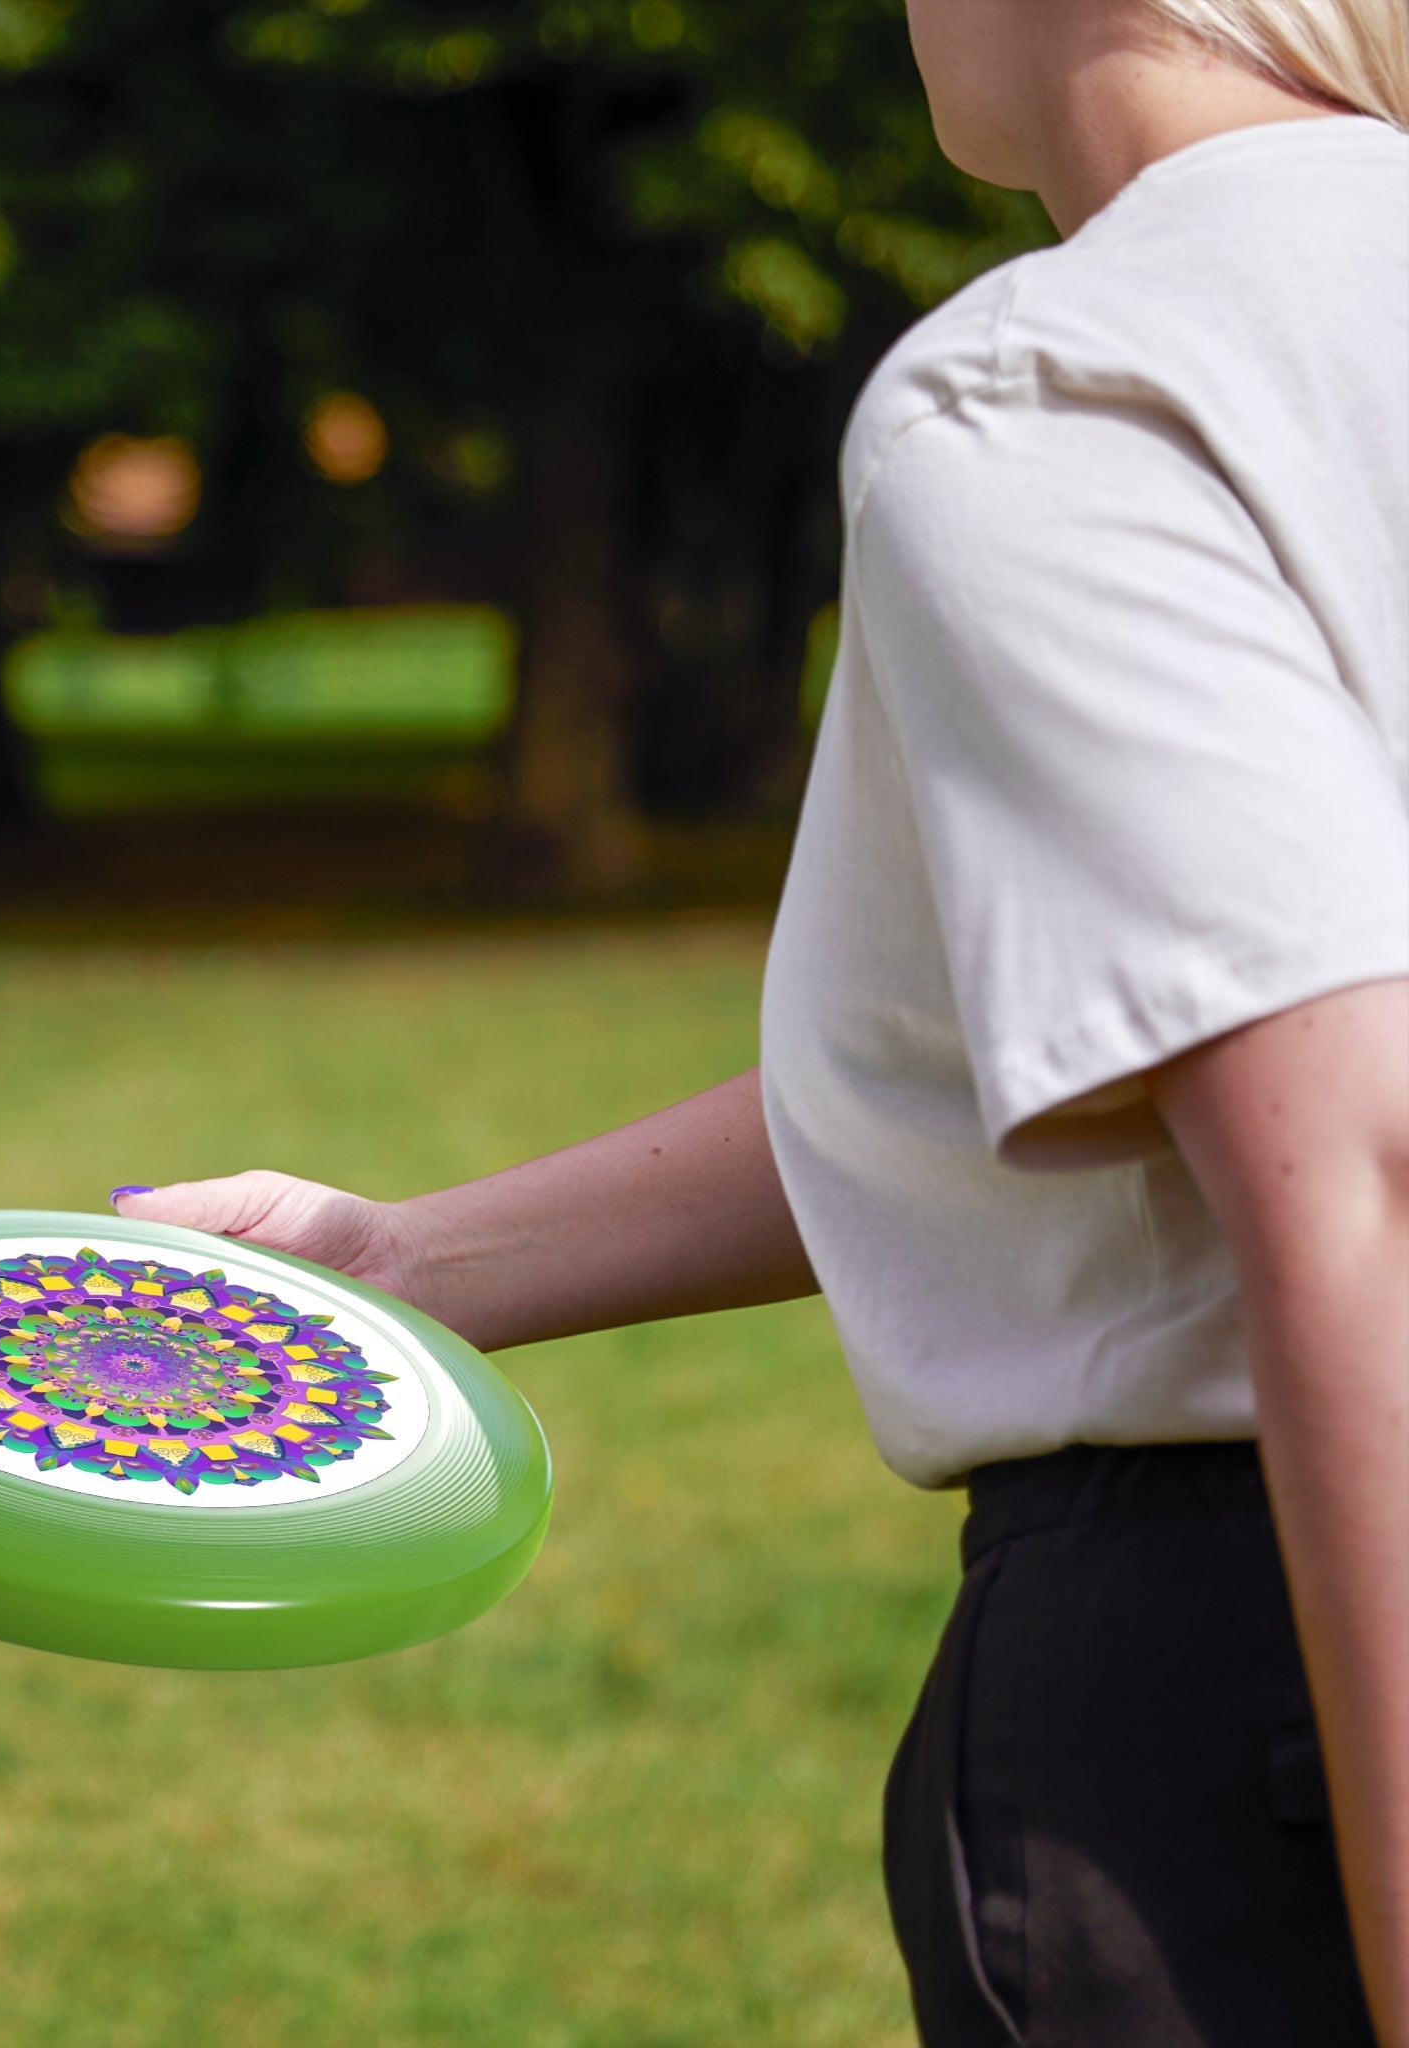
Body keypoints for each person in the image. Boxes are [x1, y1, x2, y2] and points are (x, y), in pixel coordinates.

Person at [112, 2, 1409, 2041]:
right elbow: (1113, 1045)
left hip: (1265, 1684)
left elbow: (1357, 1164)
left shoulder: (1068, 382)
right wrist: (407, 1261)